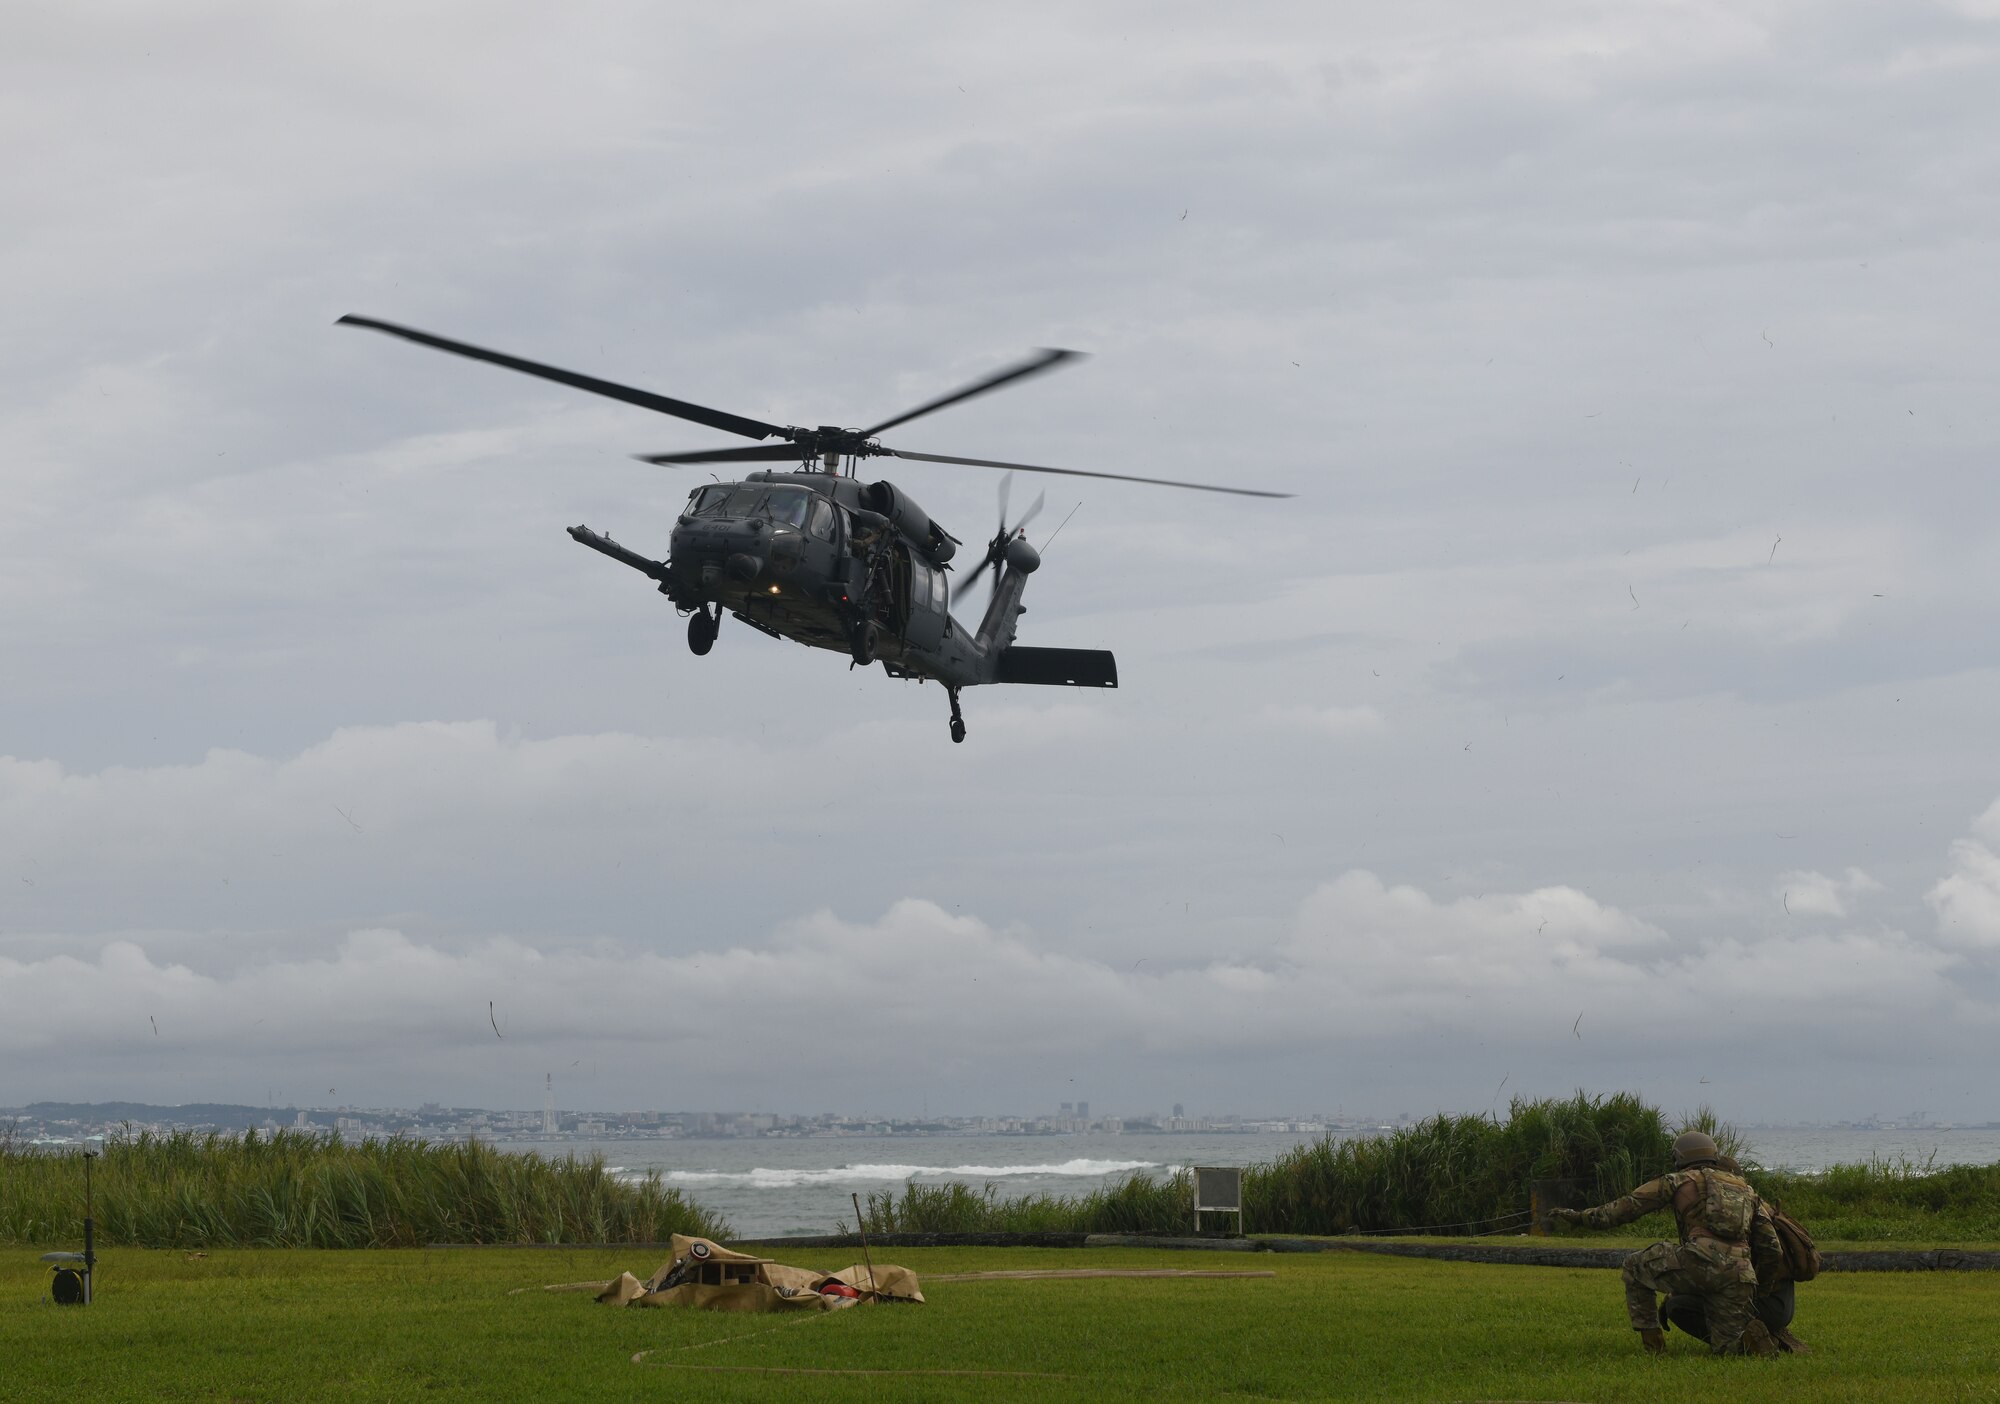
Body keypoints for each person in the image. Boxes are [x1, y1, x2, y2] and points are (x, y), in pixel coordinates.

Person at [1547, 1131, 1785, 1356]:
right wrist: (1758, 1288)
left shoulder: (1677, 1181)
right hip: (1740, 1273)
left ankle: (1654, 1347)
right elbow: (1772, 1247)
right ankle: (1749, 1342)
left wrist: (1578, 1217)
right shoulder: (1746, 1190)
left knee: (1635, 1266)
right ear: (1713, 1155)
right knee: (1727, 1347)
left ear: (1679, 1158)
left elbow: (1620, 1210)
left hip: (1699, 1260)